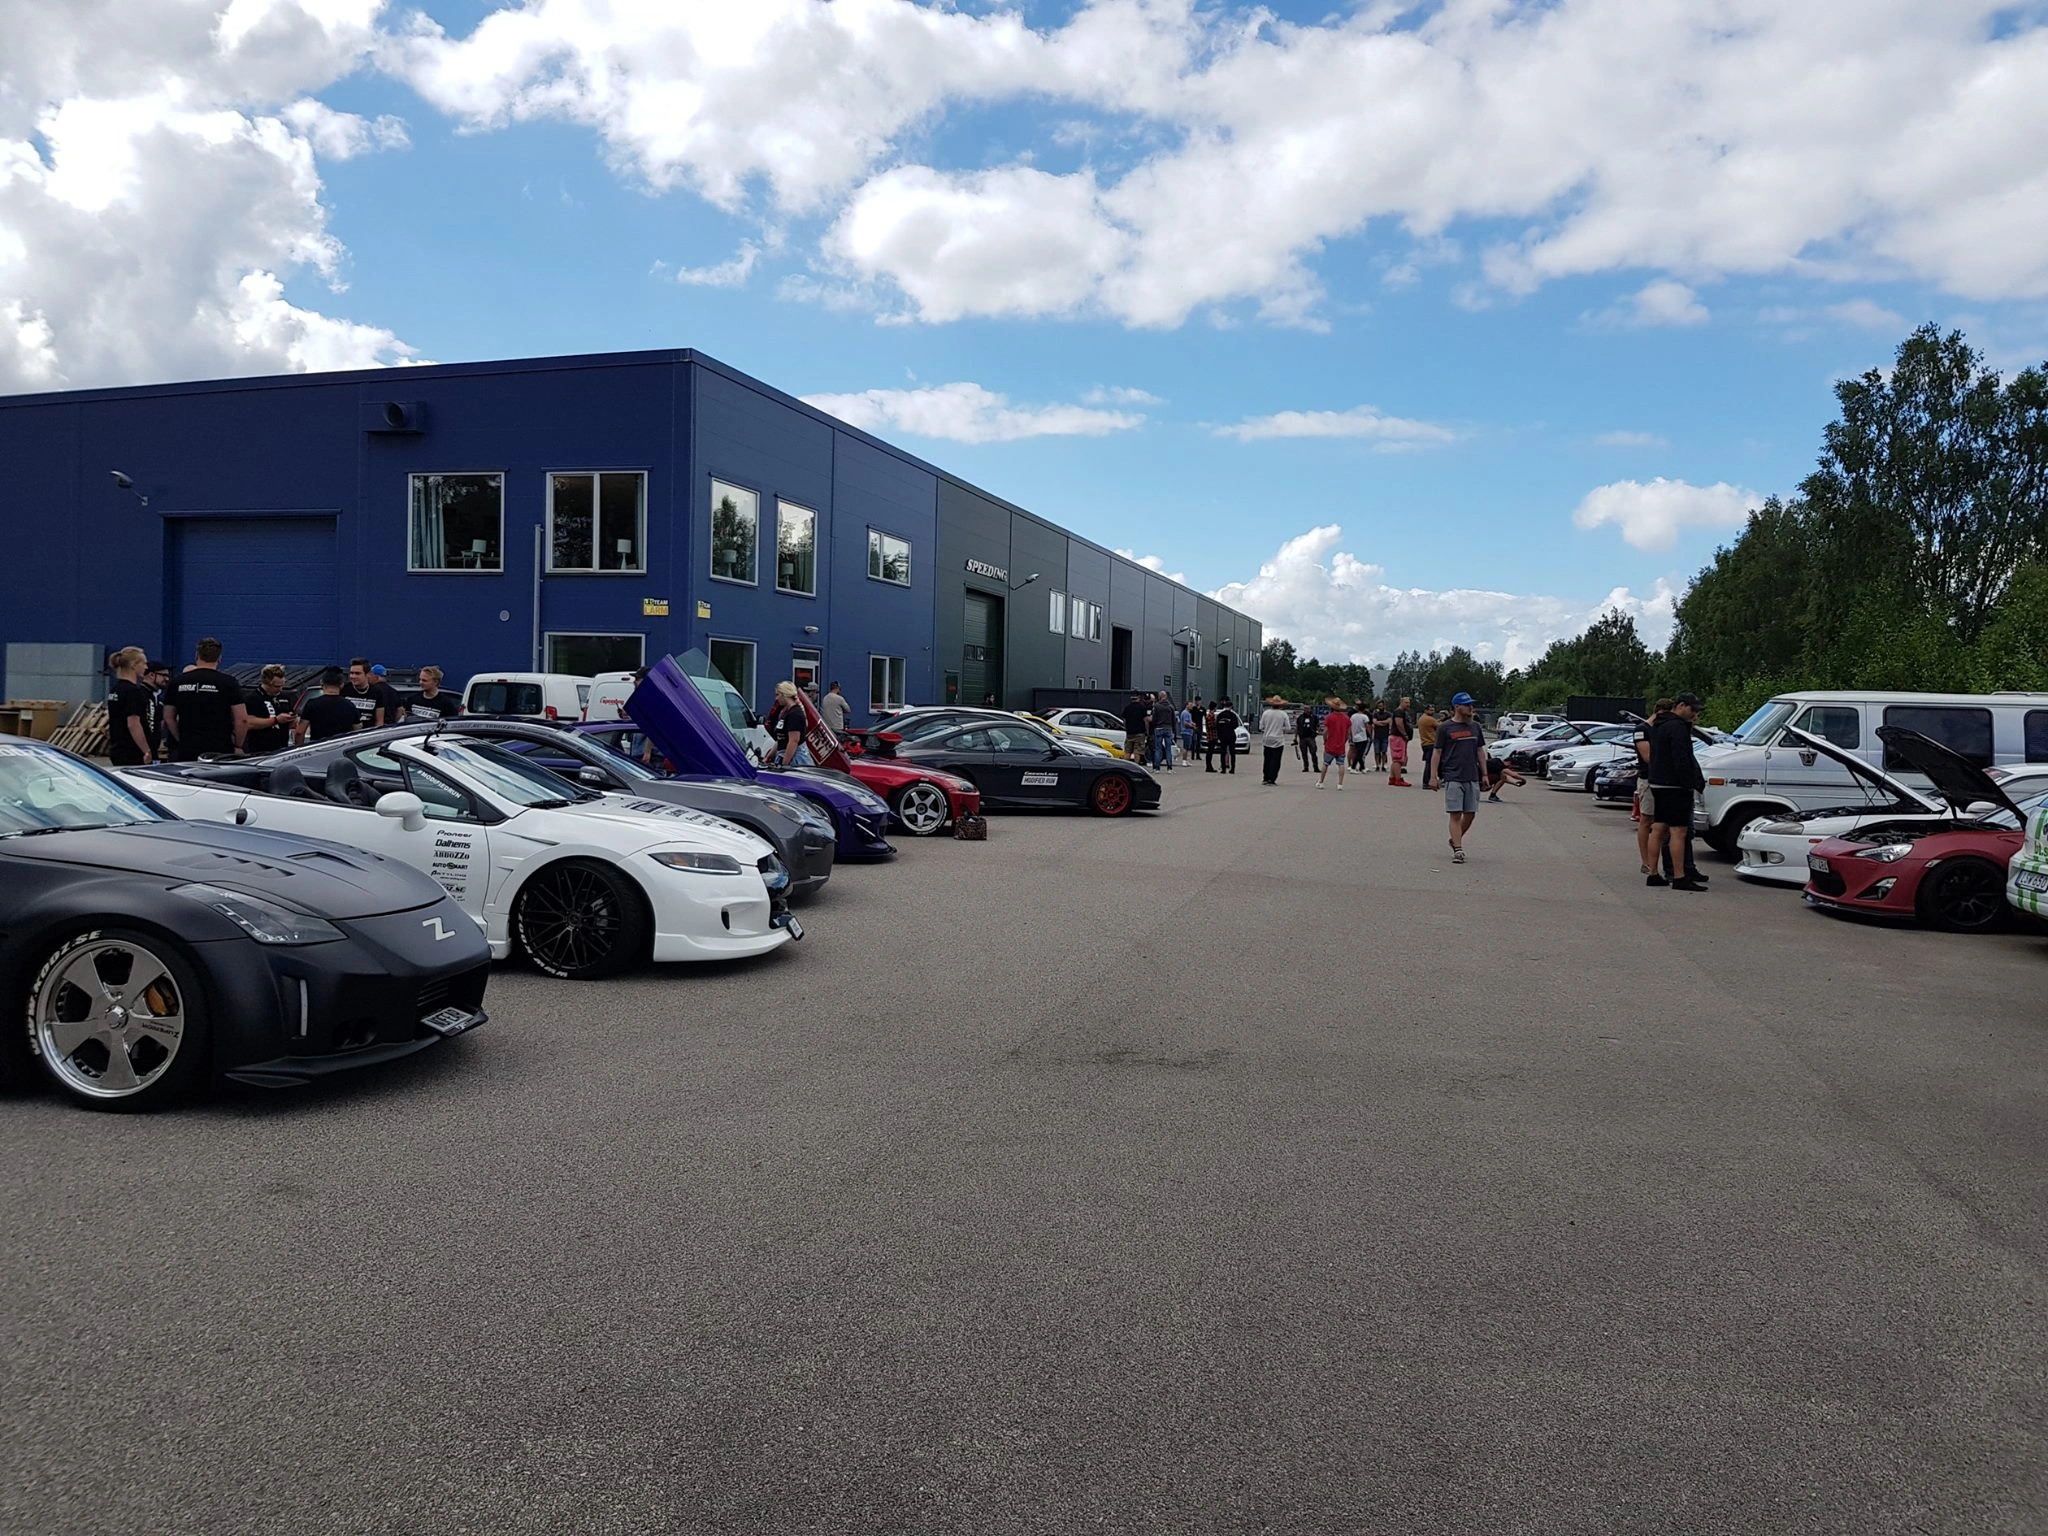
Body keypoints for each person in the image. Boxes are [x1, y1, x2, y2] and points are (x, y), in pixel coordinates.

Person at [1646, 693, 1710, 891]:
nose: (1695, 715)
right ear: (1681, 706)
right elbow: (1681, 758)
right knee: (1678, 831)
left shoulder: (1658, 724)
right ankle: (1680, 876)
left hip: (1657, 782)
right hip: (1675, 786)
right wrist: (1689, 782)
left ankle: (1652, 873)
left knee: (1658, 828)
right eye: (1693, 710)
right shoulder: (1678, 727)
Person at [1428, 692, 1490, 864]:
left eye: (1471, 704)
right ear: (1457, 707)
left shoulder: (1475, 727)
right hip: (1453, 776)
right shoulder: (1445, 728)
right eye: (1467, 705)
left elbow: (1480, 751)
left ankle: (1455, 838)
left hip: (1472, 776)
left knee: (1470, 814)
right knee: (1455, 814)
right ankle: (1458, 849)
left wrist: (1485, 773)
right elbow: (1437, 752)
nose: (1471, 708)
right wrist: (1433, 776)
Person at [163, 637, 246, 761]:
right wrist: (238, 745)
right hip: (220, 749)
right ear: (219, 658)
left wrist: (180, 738)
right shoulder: (228, 682)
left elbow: (168, 717)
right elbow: (242, 719)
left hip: (188, 748)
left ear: (197, 655)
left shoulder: (177, 681)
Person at [104, 646, 159, 768]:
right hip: (132, 751)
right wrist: (146, 750)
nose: (146, 667)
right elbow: (133, 724)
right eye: (144, 663)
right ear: (134, 665)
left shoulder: (116, 690)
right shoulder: (133, 692)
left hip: (118, 748)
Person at [241, 664, 295, 754]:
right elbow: (248, 723)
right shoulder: (252, 698)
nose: (280, 689)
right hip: (259, 749)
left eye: (282, 686)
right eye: (276, 686)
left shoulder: (285, 697)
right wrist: (275, 720)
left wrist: (292, 719)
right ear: (266, 683)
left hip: (281, 748)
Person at [296, 667, 359, 744]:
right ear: (342, 684)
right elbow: (357, 730)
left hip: (318, 746)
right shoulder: (350, 706)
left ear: (321, 682)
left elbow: (299, 732)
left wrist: (299, 748)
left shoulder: (312, 704)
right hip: (342, 747)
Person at [767, 681, 814, 767]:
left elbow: (793, 741)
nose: (776, 698)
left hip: (796, 760)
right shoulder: (786, 712)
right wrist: (768, 757)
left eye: (778, 695)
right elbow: (781, 739)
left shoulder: (795, 714)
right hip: (784, 755)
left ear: (784, 694)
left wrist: (784, 764)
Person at [343, 658, 387, 730]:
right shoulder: (344, 689)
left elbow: (379, 721)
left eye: (357, 673)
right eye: (351, 673)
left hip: (367, 734)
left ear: (368, 674)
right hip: (347, 734)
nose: (353, 676)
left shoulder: (377, 692)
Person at [1317, 696, 1350, 789]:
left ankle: (1321, 781)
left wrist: (1325, 740)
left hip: (1330, 744)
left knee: (1325, 763)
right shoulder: (1346, 718)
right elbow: (1348, 733)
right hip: (1341, 745)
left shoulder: (1329, 717)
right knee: (1341, 764)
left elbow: (1325, 731)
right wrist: (1344, 741)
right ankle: (1340, 784)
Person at [1258, 695, 1292, 785]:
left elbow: (1261, 727)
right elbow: (1288, 728)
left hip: (1267, 738)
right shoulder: (1283, 714)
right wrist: (1280, 728)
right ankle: (1272, 778)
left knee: (1267, 759)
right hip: (1278, 739)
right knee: (1276, 760)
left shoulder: (1266, 713)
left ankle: (1265, 777)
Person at [1388, 696, 1414, 786]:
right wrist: (1404, 734)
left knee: (1396, 759)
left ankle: (1392, 778)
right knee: (1398, 759)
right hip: (1398, 737)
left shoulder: (1403, 712)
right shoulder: (1399, 712)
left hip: (1399, 737)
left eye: (1409, 703)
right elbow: (1399, 723)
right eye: (1406, 702)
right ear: (1401, 702)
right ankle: (1398, 779)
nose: (1408, 704)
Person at [1149, 691, 1177, 770]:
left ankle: (1157, 767)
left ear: (1159, 697)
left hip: (1158, 728)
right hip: (1168, 728)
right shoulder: (1171, 707)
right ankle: (1169, 767)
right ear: (1166, 697)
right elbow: (1173, 719)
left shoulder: (1156, 706)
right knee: (1168, 749)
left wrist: (1153, 727)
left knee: (1158, 748)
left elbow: (1154, 719)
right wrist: (1174, 730)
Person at [1213, 700, 1240, 774]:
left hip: (1222, 736)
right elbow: (1236, 725)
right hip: (1231, 735)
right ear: (1231, 707)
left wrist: (1219, 734)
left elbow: (1217, 726)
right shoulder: (1233, 715)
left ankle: (1223, 768)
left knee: (1223, 752)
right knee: (1232, 752)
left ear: (1224, 706)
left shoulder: (1220, 715)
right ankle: (1232, 769)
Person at [1122, 692, 1151, 761]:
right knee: (1137, 752)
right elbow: (1145, 720)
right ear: (1139, 698)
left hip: (1129, 733)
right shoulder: (1142, 708)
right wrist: (1147, 731)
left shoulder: (1127, 708)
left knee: (1128, 751)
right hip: (1140, 733)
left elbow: (1124, 721)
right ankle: (1136, 765)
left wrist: (1126, 728)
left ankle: (1126, 765)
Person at [1293, 702, 1319, 773]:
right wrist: (1295, 737)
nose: (1306, 710)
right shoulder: (1300, 718)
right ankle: (1306, 767)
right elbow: (1297, 727)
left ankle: (1315, 767)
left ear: (1310, 709)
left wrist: (1317, 732)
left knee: (1313, 752)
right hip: (1302, 738)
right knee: (1304, 753)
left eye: (1307, 708)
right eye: (1305, 709)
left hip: (1311, 737)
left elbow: (1317, 726)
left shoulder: (1314, 717)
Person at [1418, 705, 1440, 785]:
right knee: (1431, 763)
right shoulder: (1430, 719)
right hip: (1431, 742)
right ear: (1426, 710)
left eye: (1433, 710)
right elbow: (1441, 727)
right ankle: (1426, 782)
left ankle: (1427, 781)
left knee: (1429, 762)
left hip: (1425, 743)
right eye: (1430, 710)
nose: (1432, 712)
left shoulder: (1421, 718)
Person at [1348, 701, 1371, 771]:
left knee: (1358, 752)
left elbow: (1350, 726)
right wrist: (1370, 734)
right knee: (1360, 753)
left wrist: (1350, 735)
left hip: (1355, 736)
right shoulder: (1365, 717)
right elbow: (1367, 726)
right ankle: (1353, 767)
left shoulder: (1353, 716)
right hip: (1363, 736)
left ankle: (1362, 767)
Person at [1372, 702, 1392, 772]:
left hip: (1385, 735)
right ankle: (1377, 765)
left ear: (1384, 706)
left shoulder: (1388, 714)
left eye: (1381, 706)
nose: (1380, 707)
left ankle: (1383, 765)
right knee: (1377, 752)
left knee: (1384, 751)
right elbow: (1374, 722)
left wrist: (1379, 722)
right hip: (1377, 736)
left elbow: (1389, 721)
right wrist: (1383, 723)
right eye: (1379, 706)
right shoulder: (1375, 714)